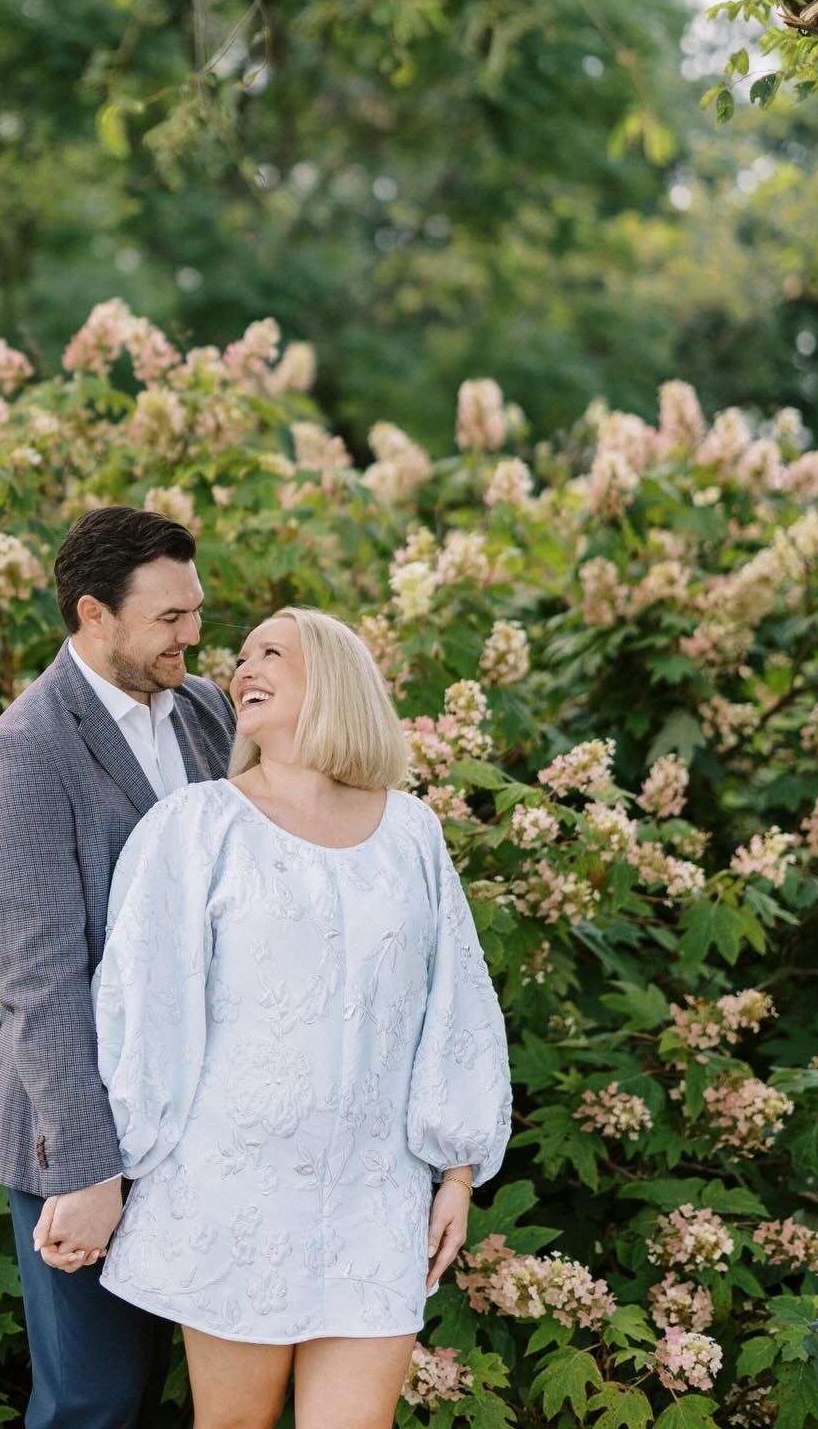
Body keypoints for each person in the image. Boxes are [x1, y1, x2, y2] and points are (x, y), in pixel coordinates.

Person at [89, 607, 512, 1429]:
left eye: (271, 652)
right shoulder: (196, 825)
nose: (243, 667)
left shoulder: (413, 831)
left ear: (337, 678)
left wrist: (456, 1172)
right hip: (232, 1191)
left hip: (377, 1195)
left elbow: (456, 1003)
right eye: (240, 655)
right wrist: (115, 1165)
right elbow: (142, 1007)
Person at [0, 505, 236, 1429]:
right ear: (93, 614)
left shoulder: (206, 709)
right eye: (169, 618)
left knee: (184, 1389)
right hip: (76, 1120)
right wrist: (89, 1170)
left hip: (193, 1112)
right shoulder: (27, 751)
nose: (194, 635)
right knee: (93, 1400)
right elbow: (37, 983)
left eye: (195, 610)